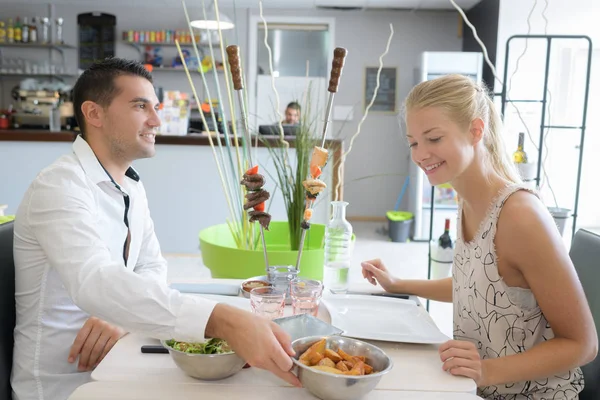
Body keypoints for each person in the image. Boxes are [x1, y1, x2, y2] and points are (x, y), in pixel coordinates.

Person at [11, 58, 300, 400]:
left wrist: (124, 316)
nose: (156, 120)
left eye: (156, 106)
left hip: (117, 361)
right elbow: (93, 281)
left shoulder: (132, 186)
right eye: (140, 106)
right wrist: (223, 320)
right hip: (65, 386)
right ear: (94, 114)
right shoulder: (59, 185)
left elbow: (151, 266)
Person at [361, 74, 597, 399]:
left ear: (475, 130)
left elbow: (582, 345)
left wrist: (486, 370)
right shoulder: (467, 202)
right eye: (414, 142)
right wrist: (398, 285)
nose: (420, 154)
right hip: (476, 389)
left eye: (434, 138)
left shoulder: (521, 216)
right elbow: (477, 286)